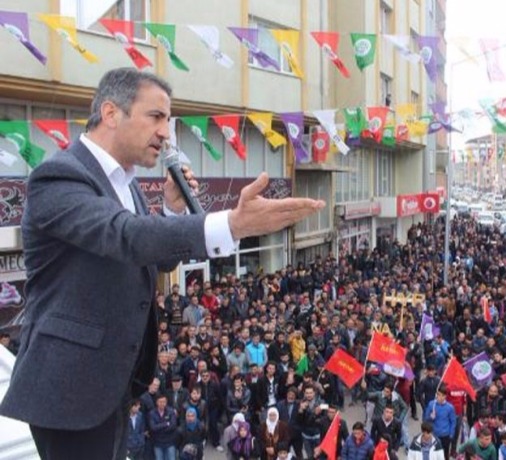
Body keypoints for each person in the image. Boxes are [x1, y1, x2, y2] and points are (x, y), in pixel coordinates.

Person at [0, 67, 324, 459]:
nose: (166, 134)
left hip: (111, 384)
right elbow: (125, 235)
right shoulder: (59, 177)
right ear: (111, 113)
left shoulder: (128, 184)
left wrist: (172, 214)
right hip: (70, 390)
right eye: (156, 117)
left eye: (167, 121)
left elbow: (148, 255)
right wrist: (231, 223)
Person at [425, 387, 457, 457]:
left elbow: (453, 421)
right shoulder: (431, 404)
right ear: (436, 394)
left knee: (445, 455)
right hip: (434, 434)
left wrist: (451, 434)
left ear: (445, 396)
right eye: (439, 395)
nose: (440, 397)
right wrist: (431, 417)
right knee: (433, 454)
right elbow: (425, 419)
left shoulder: (450, 407)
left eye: (443, 395)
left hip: (445, 435)